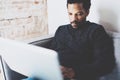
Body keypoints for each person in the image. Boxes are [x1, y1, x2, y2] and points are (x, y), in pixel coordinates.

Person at [49, 0, 115, 80]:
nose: (73, 19)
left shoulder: (96, 31)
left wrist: (74, 72)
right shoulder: (61, 30)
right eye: (70, 14)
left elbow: (105, 64)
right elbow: (50, 55)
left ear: (87, 12)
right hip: (56, 75)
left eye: (79, 14)